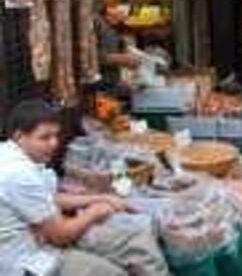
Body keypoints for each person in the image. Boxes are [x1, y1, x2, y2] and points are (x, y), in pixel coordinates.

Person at [0, 100, 169, 276]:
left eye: (55, 135)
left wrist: (100, 198)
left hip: (40, 238)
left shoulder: (11, 153)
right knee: (113, 272)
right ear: (19, 136)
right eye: (44, 137)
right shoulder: (19, 173)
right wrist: (95, 212)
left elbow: (50, 197)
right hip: (26, 261)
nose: (54, 143)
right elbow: (60, 235)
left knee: (133, 241)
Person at [93, 0, 142, 88]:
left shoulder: (102, 16)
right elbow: (87, 57)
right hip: (97, 89)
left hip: (109, 87)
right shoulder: (87, 16)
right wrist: (122, 59)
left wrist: (122, 45)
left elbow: (103, 44)